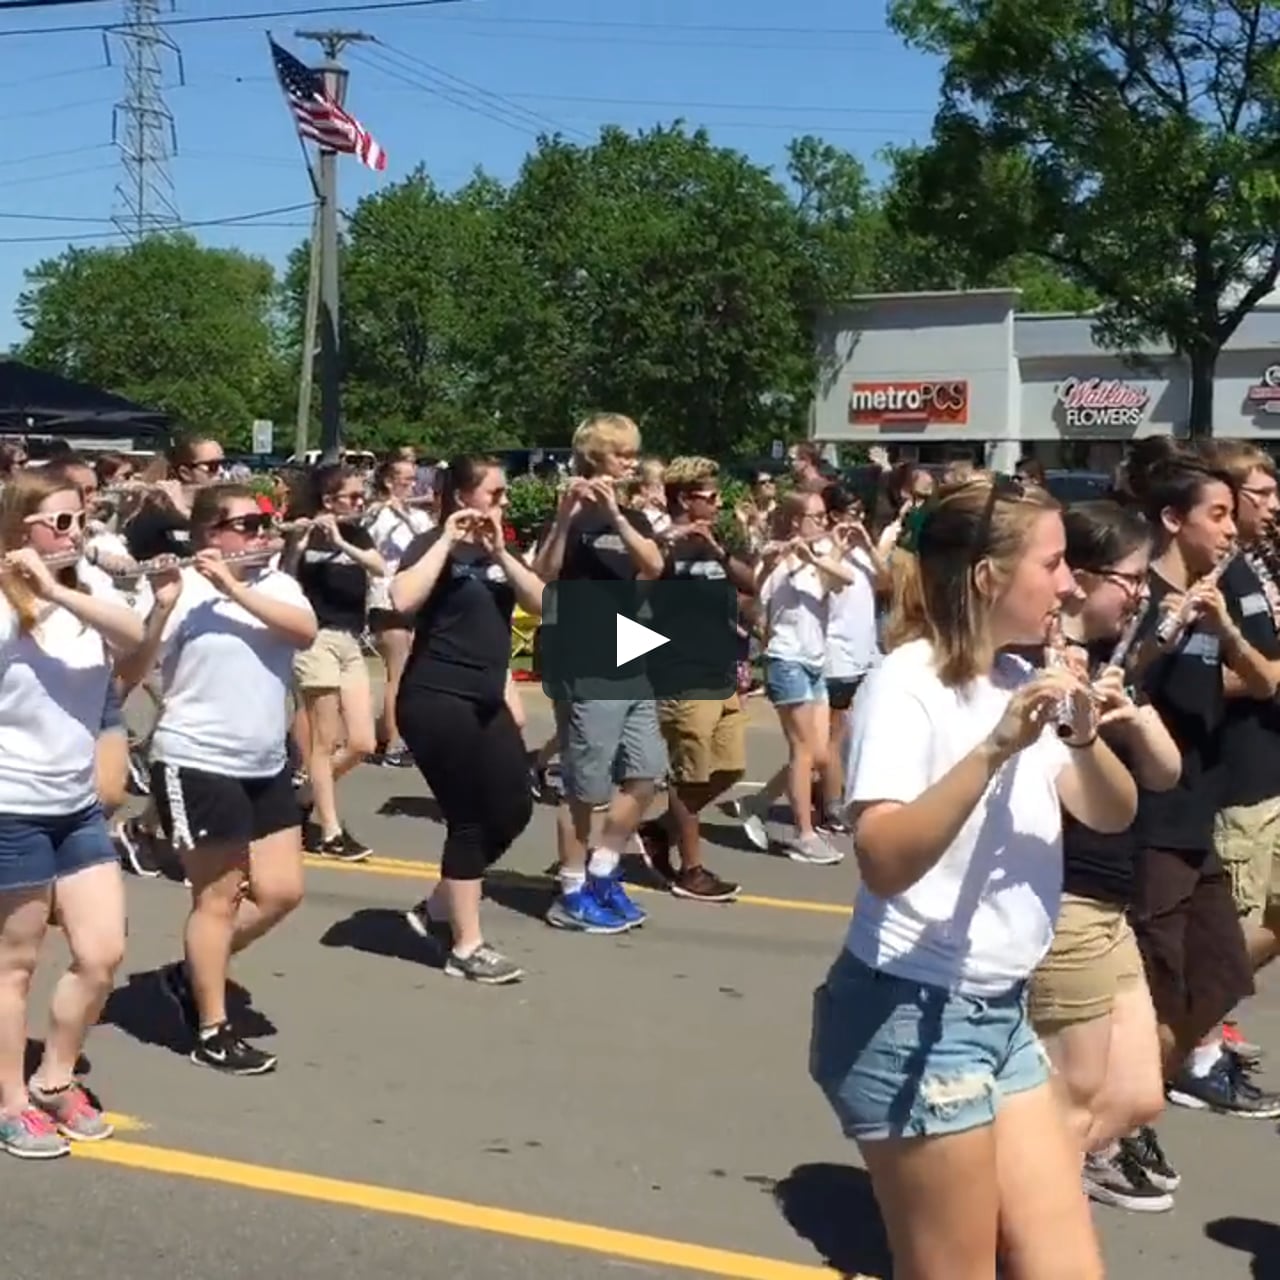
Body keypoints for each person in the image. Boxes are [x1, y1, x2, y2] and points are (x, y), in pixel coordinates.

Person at [809, 475, 1138, 1279]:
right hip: (914, 1015)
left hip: (999, 1013)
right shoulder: (908, 683)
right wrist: (993, 750)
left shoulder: (1017, 678)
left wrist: (1086, 737)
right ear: (989, 578)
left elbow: (1113, 814)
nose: (1070, 584)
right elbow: (883, 859)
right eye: (1054, 564)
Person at [116, 484, 317, 1075]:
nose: (261, 534)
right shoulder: (180, 594)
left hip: (264, 761)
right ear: (209, 536)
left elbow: (302, 632)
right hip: (197, 759)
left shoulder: (277, 584)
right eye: (247, 525)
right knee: (219, 896)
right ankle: (211, 1027)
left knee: (282, 891)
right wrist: (158, 605)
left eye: (264, 524)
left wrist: (231, 585)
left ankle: (188, 974)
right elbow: (130, 672)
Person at [1028, 500, 1178, 1212]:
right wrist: (1071, 719)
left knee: (1140, 1095)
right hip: (1066, 896)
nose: (1142, 594)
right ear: (1080, 577)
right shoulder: (1038, 666)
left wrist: (1131, 716)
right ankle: (1005, 1223)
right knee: (1073, 1104)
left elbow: (1165, 774)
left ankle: (999, 1191)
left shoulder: (1111, 665)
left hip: (1110, 903)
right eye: (1131, 579)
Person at [1123, 456, 1279, 1124]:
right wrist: (1163, 636)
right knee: (1159, 987)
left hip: (1202, 809)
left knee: (1213, 982)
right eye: (1216, 515)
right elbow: (1122, 682)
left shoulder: (1217, 593)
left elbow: (1266, 680)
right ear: (1171, 520)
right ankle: (1112, 1123)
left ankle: (1137, 1102)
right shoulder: (1144, 600)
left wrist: (1227, 631)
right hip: (1155, 820)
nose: (1228, 530)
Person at [0, 469, 144, 1158]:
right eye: (58, 522)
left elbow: (134, 634)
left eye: (78, 519)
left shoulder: (86, 594)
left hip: (76, 806)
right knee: (15, 965)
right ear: (18, 526)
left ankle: (56, 1077)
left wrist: (58, 587)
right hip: (12, 807)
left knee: (101, 950)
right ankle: (11, 1100)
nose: (74, 532)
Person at [394, 456, 542, 983]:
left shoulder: (500, 550)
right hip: (436, 698)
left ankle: (437, 905)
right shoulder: (429, 545)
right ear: (462, 496)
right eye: (495, 494)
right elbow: (403, 598)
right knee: (470, 816)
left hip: (487, 696)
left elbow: (541, 603)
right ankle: (466, 945)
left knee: (515, 808)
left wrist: (501, 550)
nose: (502, 503)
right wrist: (446, 540)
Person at [533, 414, 665, 934]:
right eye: (620, 455)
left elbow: (653, 565)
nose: (630, 463)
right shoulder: (567, 516)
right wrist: (568, 518)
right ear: (595, 458)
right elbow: (542, 574)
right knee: (585, 787)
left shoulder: (632, 516)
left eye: (633, 454)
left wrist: (618, 515)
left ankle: (604, 867)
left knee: (646, 773)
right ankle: (570, 890)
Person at [635, 457, 753, 902]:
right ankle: (692, 870)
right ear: (685, 499)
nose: (718, 503)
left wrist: (718, 550)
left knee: (728, 769)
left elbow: (752, 584)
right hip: (679, 672)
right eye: (711, 497)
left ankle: (658, 830)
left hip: (720, 670)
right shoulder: (659, 543)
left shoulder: (714, 542)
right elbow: (636, 591)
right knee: (690, 776)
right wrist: (667, 545)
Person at [735, 490, 855, 864]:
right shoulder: (777, 557)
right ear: (794, 520)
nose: (822, 524)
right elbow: (760, 594)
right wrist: (781, 558)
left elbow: (843, 579)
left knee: (819, 755)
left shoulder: (819, 557)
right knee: (803, 751)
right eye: (815, 518)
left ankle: (757, 802)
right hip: (785, 659)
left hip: (815, 660)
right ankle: (804, 834)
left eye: (823, 518)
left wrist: (821, 552)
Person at [284, 464, 386, 860]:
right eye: (352, 497)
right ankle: (330, 830)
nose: (360, 503)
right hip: (316, 639)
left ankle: (303, 797)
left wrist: (342, 541)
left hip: (351, 641)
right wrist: (302, 539)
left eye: (363, 497)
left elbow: (378, 569)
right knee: (324, 742)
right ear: (329, 500)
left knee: (362, 741)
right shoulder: (305, 533)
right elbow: (288, 579)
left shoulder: (357, 533)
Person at [364, 456, 434, 767]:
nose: (412, 484)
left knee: (410, 669)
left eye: (414, 478)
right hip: (385, 599)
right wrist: (386, 510)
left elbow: (427, 541)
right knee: (398, 670)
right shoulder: (375, 514)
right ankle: (393, 744)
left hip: (414, 596)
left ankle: (383, 735)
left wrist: (405, 514)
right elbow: (368, 542)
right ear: (389, 481)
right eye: (405, 479)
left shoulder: (417, 516)